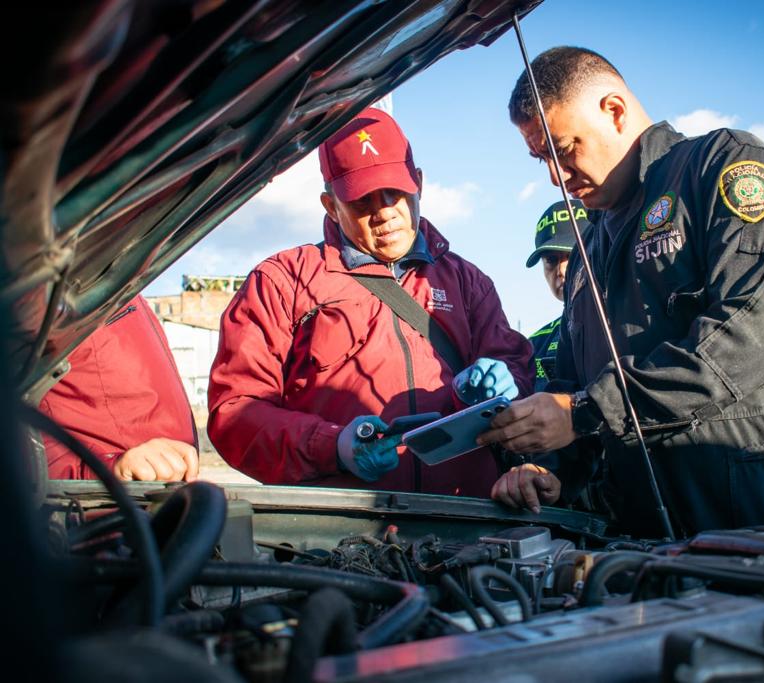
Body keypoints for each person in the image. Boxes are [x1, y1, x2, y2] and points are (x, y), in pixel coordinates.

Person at [483, 47, 764, 537]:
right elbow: (572, 385)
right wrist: (549, 468)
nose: (556, 176)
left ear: (614, 110)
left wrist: (586, 411)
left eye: (562, 149)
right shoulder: (586, 247)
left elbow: (754, 333)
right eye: (541, 159)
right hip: (647, 524)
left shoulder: (722, 167)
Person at [207, 108, 533, 496]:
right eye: (362, 200)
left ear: (419, 184)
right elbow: (235, 414)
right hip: (343, 529)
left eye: (395, 192)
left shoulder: (469, 282)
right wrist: (333, 446)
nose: (384, 212)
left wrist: (506, 385)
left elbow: (520, 376)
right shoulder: (281, 281)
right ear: (331, 206)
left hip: (464, 518)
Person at [40, 294, 199, 482]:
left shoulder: (123, 284)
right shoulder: (37, 292)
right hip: (103, 501)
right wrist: (107, 469)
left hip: (166, 493)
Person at [525, 199, 592, 391]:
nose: (561, 270)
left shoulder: (627, 324)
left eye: (572, 255)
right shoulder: (534, 345)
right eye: (551, 260)